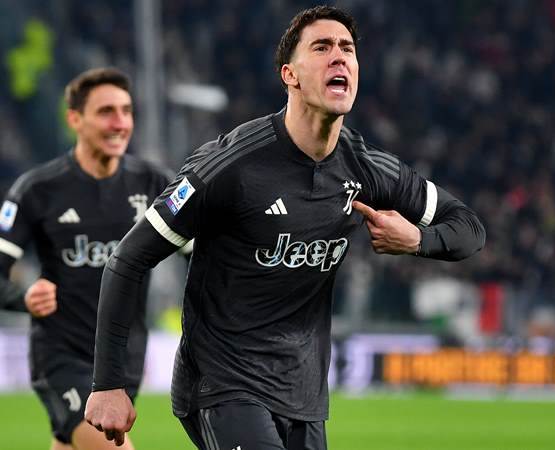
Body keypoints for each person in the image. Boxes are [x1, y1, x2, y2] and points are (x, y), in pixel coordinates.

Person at [85, 6, 485, 450]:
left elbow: (468, 227)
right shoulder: (230, 166)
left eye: (348, 49)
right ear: (289, 75)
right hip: (223, 385)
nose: (339, 56)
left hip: (304, 397)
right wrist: (109, 384)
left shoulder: (367, 168)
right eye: (322, 47)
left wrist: (418, 240)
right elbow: (128, 259)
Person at [0, 67, 180, 450]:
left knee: (69, 444)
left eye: (126, 111)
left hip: (123, 359)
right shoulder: (37, 190)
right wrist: (23, 297)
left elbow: (205, 251)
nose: (120, 123)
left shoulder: (153, 183)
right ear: (75, 119)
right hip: (62, 356)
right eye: (106, 112)